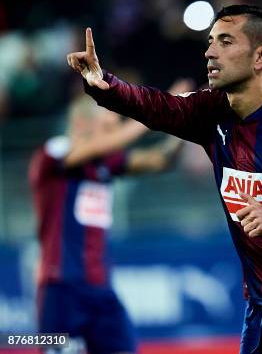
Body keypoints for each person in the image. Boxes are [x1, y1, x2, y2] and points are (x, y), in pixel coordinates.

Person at [66, 4, 262, 354]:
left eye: (226, 41)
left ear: (261, 56)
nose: (210, 51)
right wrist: (103, 84)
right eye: (211, 41)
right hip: (261, 303)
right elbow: (156, 106)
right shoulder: (211, 110)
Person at [29, 80, 189, 354]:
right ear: (82, 123)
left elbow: (160, 160)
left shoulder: (104, 164)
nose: (114, 132)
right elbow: (105, 145)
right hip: (61, 288)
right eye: (109, 123)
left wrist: (185, 123)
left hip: (101, 289)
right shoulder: (53, 152)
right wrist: (157, 110)